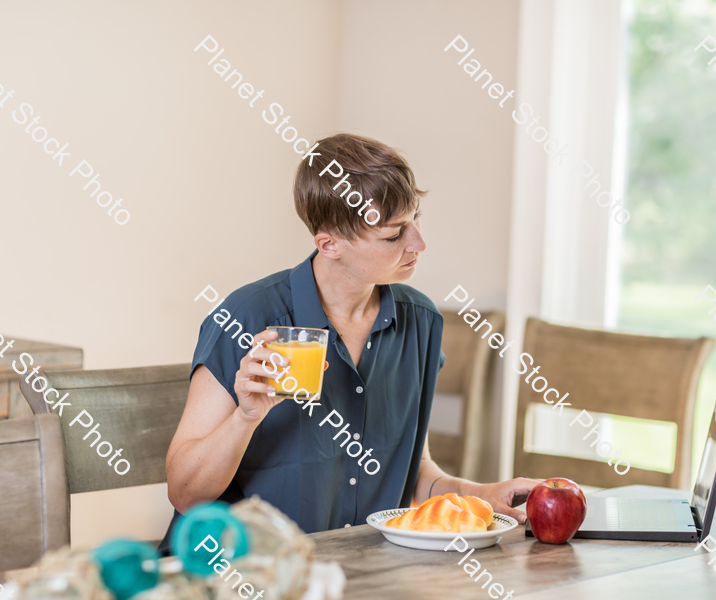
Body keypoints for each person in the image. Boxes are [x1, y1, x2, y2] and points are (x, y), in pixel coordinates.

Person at [159, 133, 538, 553]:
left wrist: (483, 495)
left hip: (353, 576)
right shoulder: (248, 318)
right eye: (394, 235)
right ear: (329, 244)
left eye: (415, 220)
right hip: (237, 572)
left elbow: (415, 475)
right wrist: (244, 418)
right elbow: (185, 495)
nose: (419, 243)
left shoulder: (419, 323)